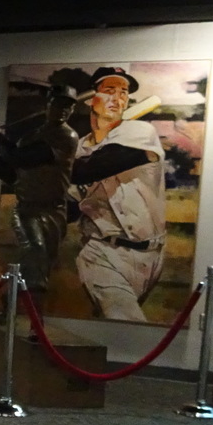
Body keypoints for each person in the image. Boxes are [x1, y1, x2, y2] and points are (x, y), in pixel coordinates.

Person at [70, 66, 166, 321]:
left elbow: (99, 165)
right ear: (92, 99)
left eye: (123, 93)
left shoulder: (139, 132)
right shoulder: (79, 146)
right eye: (109, 91)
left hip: (153, 253)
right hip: (102, 251)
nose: (118, 98)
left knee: (116, 327)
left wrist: (56, 159)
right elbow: (71, 202)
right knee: (126, 319)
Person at [0, 87, 79, 303]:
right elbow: (10, 174)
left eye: (69, 106)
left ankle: (22, 311)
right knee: (35, 251)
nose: (64, 110)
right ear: (48, 105)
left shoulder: (67, 135)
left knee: (41, 267)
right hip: (28, 209)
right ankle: (21, 310)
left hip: (54, 211)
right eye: (59, 104)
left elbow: (21, 158)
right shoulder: (32, 137)